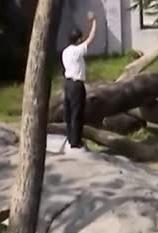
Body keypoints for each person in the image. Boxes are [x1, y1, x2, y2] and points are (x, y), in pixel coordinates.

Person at [61, 11, 97, 152]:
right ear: (78, 40)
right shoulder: (77, 51)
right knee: (77, 112)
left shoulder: (65, 51)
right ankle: (76, 141)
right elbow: (91, 38)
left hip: (67, 83)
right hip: (76, 85)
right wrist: (94, 22)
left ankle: (71, 137)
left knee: (69, 112)